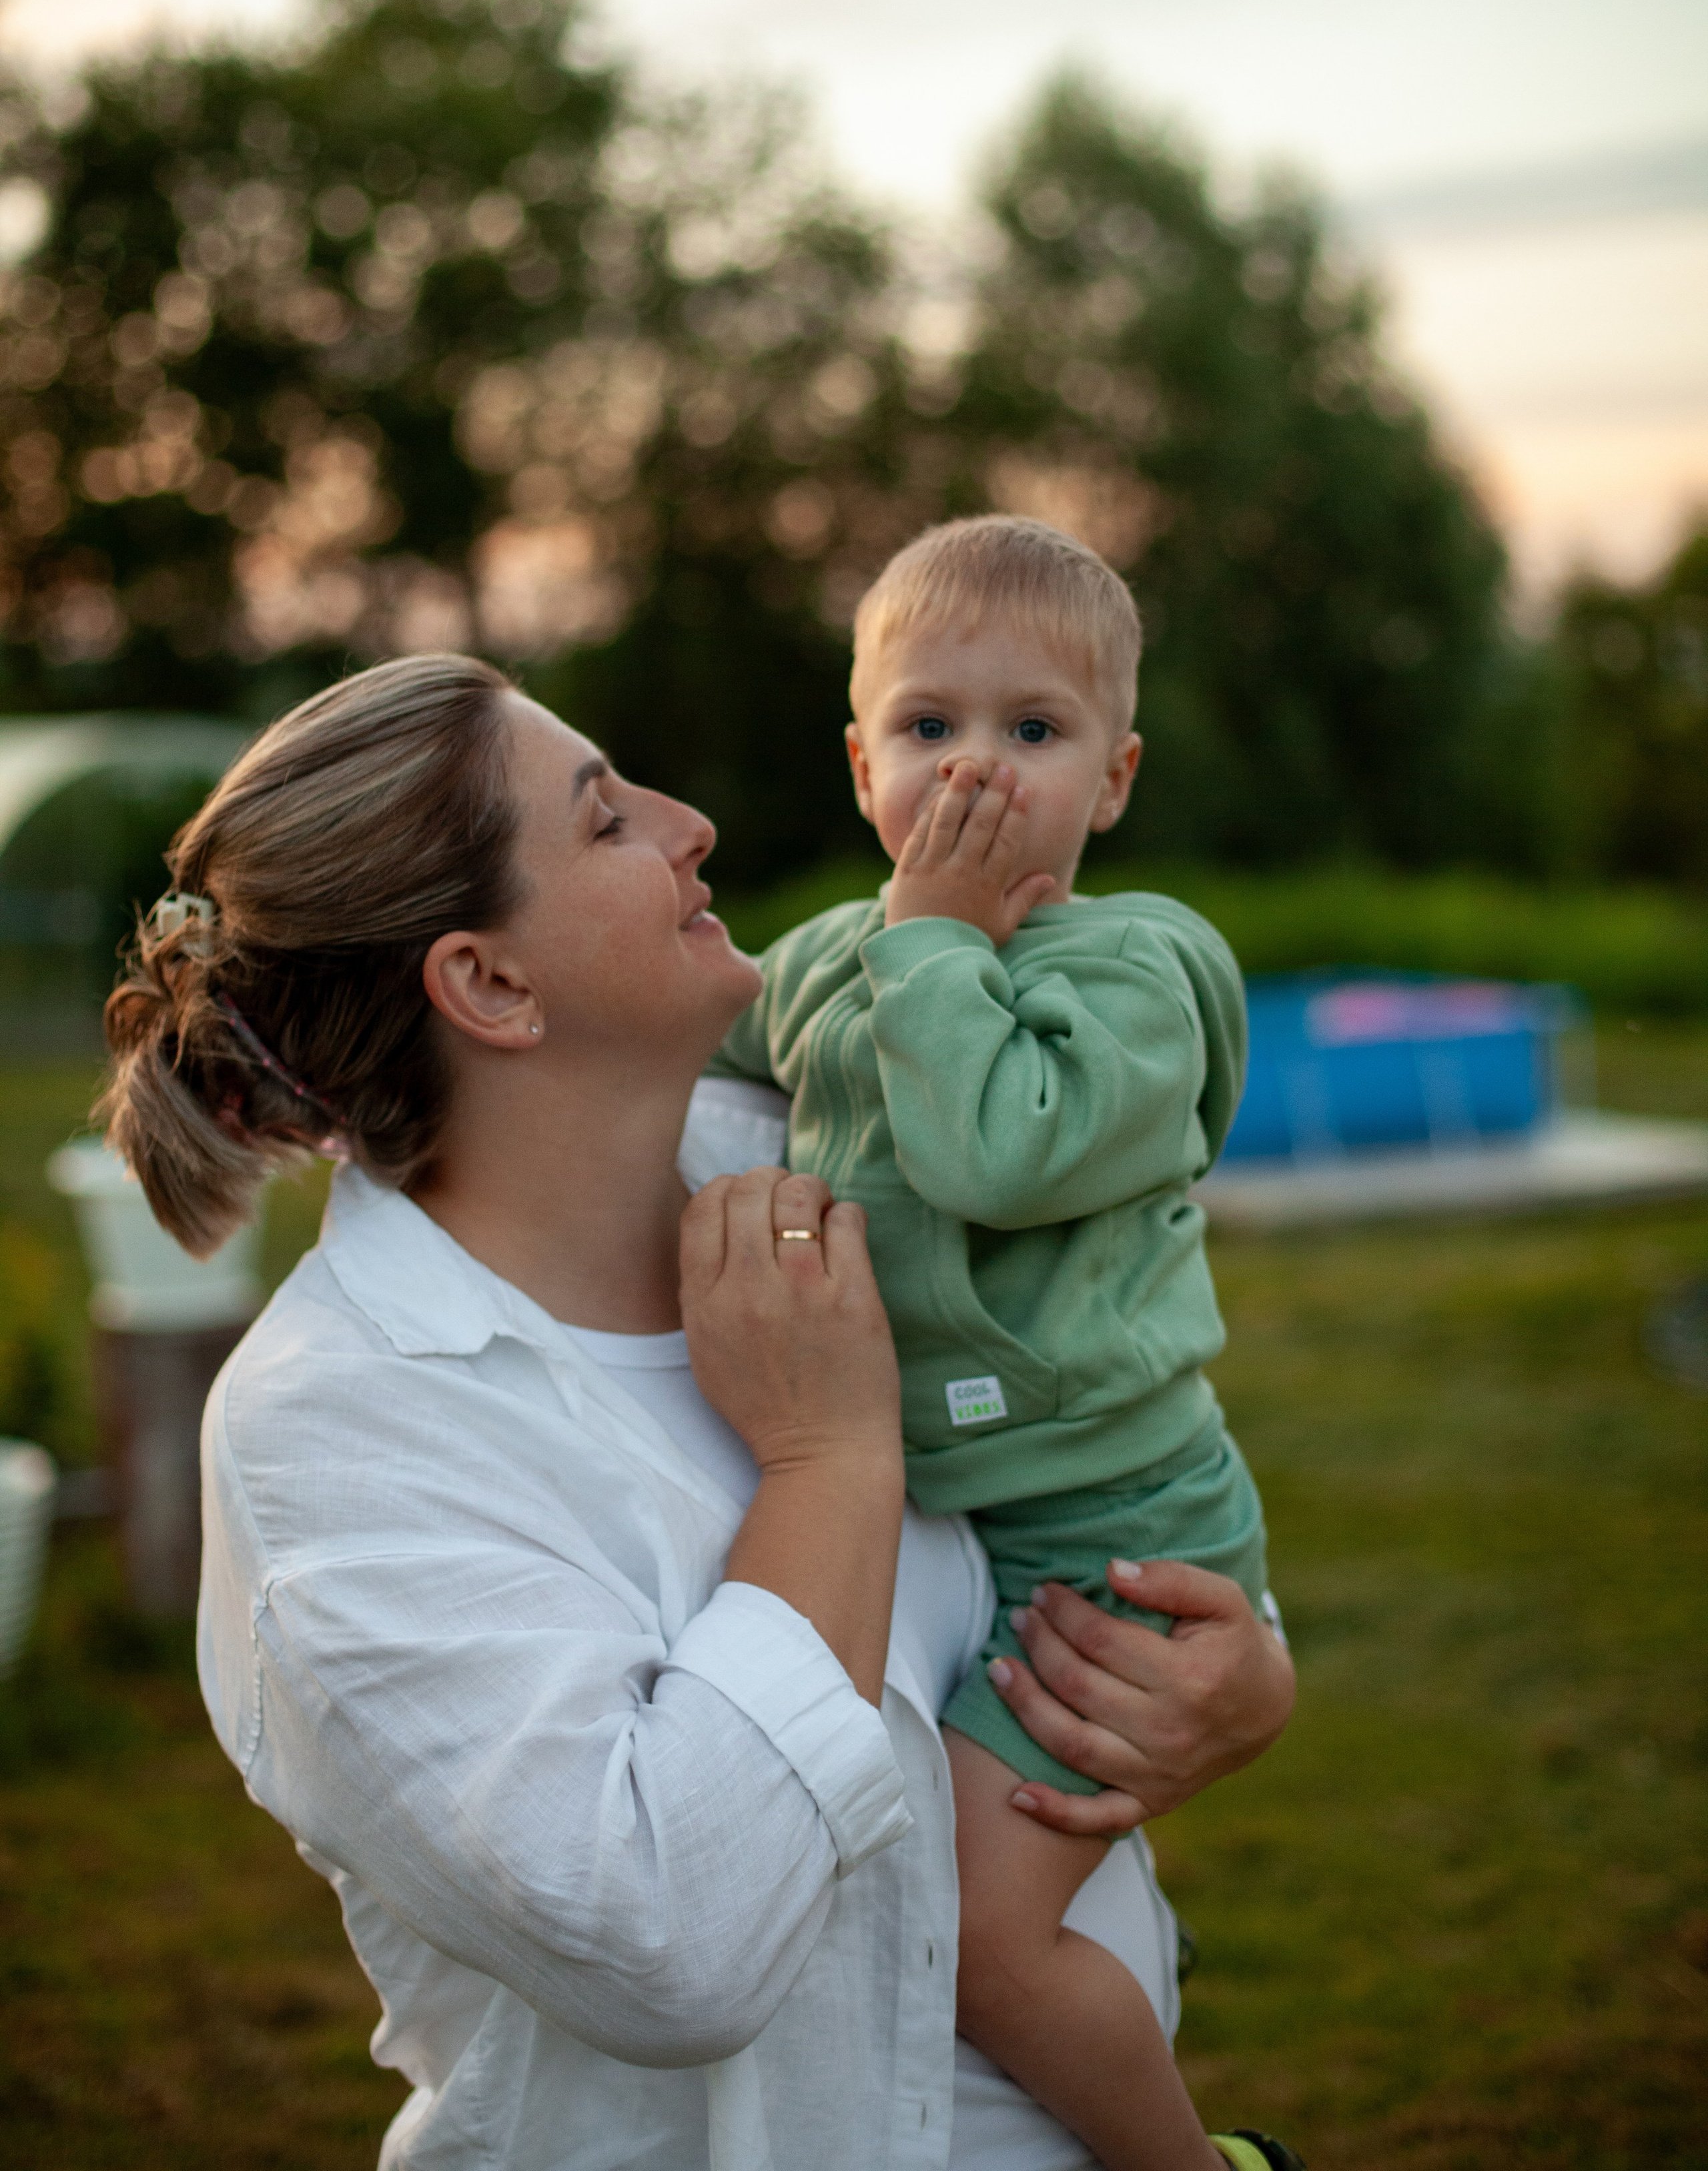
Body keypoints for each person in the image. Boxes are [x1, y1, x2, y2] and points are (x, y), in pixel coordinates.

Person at [97, 650, 1295, 2171]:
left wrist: (1242, 1674)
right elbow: (673, 1940)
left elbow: (1114, 1415)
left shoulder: (834, 1142)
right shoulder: (337, 1435)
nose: (692, 825)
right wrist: (829, 1456)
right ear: (489, 983)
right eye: (605, 821)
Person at [709, 516, 1296, 2171]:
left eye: (1029, 732)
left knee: (980, 1938)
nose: (973, 773)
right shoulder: (844, 956)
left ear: (1110, 780)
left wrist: (933, 940)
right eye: (928, 728)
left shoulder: (1136, 975)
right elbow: (669, 1036)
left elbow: (995, 1153)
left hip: (1118, 1529)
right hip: (962, 1512)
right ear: (857, 765)